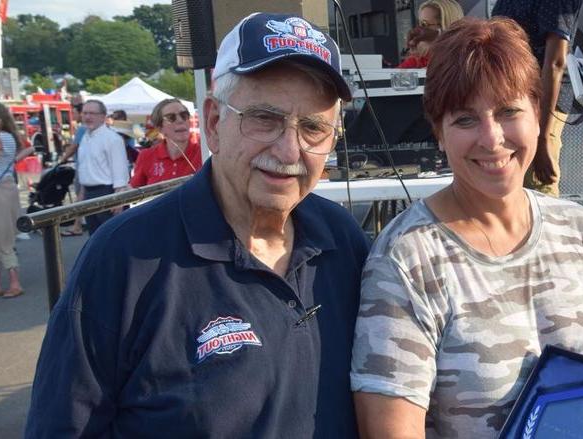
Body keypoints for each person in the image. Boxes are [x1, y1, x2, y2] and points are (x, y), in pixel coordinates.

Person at [26, 12, 370, 438]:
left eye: (314, 127)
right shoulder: (124, 257)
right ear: (212, 122)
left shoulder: (344, 239)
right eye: (264, 118)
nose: (288, 149)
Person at [351, 18, 583, 438]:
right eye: (465, 120)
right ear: (438, 132)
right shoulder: (407, 259)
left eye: (508, 111)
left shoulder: (582, 230)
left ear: (537, 113)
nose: (491, 139)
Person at [492, 0, 582, 197]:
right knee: (512, 184)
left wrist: (542, 141)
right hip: (507, 98)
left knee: (539, 188)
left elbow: (556, 63)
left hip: (541, 103)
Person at [0, 103, 33, 298]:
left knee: (3, 236)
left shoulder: (2, 137)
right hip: (2, 189)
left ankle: (14, 282)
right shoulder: (7, 137)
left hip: (0, 190)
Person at [75, 99, 130, 235]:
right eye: (85, 113)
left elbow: (120, 172)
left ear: (103, 116)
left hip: (107, 193)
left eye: (92, 113)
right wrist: (81, 198)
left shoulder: (112, 139)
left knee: (111, 238)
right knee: (94, 237)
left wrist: (118, 200)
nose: (88, 117)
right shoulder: (85, 138)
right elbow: (86, 170)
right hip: (89, 194)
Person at [129, 99, 201, 187]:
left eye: (184, 115)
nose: (180, 120)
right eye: (171, 118)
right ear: (160, 128)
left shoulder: (203, 153)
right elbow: (135, 192)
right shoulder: (146, 156)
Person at [60, 103, 86, 237]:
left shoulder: (82, 128)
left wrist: (63, 158)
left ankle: (77, 225)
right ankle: (79, 223)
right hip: (88, 168)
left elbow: (74, 146)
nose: (73, 115)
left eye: (74, 112)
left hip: (83, 167)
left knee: (81, 196)